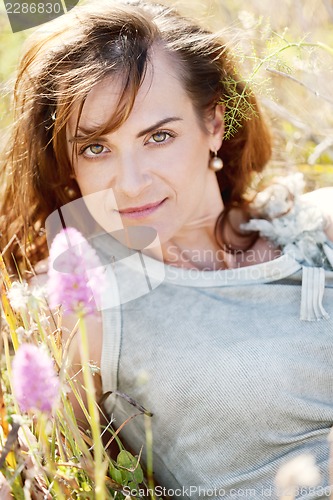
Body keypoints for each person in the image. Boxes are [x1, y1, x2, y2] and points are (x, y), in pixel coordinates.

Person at [1, 0, 333, 497]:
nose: (131, 184)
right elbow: (39, 474)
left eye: (159, 136)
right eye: (96, 147)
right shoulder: (79, 299)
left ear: (214, 126)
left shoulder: (318, 225)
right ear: (68, 161)